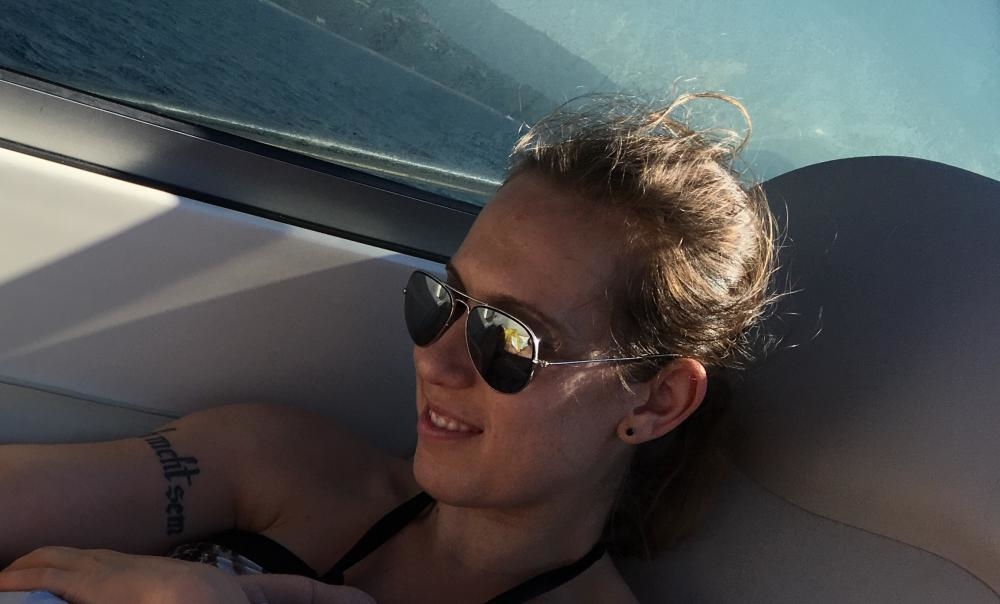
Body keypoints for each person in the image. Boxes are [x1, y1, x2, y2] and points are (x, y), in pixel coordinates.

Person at [0, 91, 777, 603]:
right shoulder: (281, 462)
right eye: (443, 301)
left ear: (656, 400)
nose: (436, 361)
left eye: (508, 338)